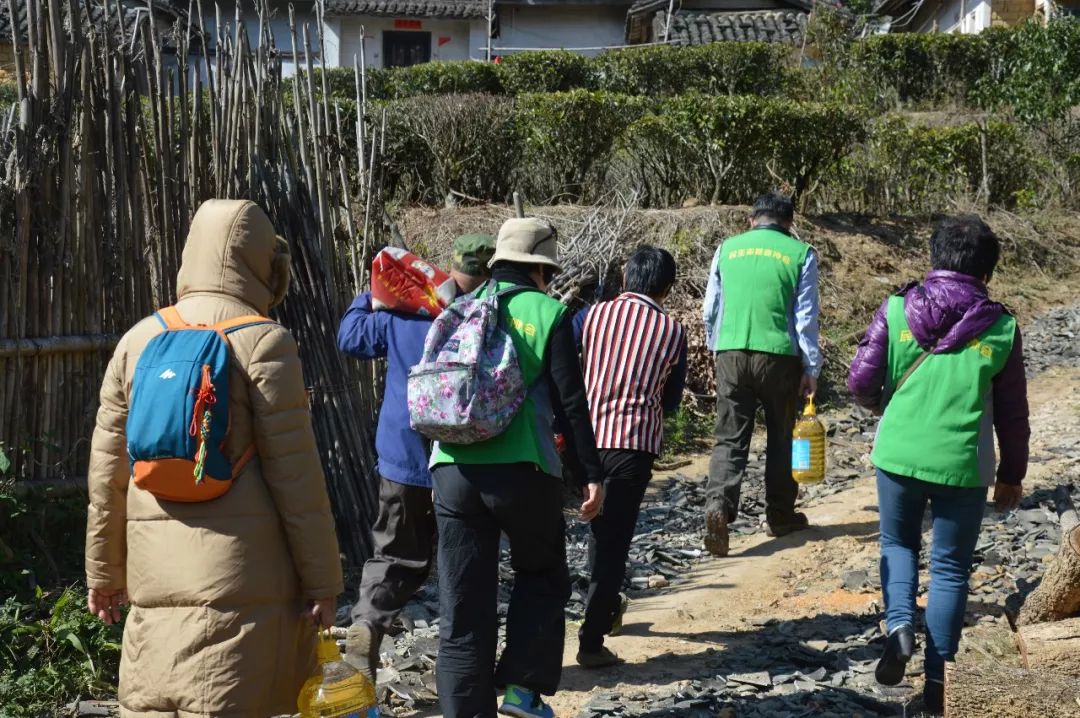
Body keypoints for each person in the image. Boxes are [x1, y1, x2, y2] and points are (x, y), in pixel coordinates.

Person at [84, 199, 344, 717]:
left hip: (154, 577)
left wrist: (104, 573)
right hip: (244, 579)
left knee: (155, 703)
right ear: (261, 264)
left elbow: (107, 475)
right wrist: (323, 583)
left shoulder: (138, 339)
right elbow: (298, 479)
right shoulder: (265, 343)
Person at [848, 215, 1029, 713]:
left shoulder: (897, 308)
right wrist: (1013, 473)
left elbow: (860, 381)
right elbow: (1013, 413)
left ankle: (901, 627)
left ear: (934, 258)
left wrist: (883, 403)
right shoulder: (1003, 326)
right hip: (963, 466)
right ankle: (936, 686)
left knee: (897, 544)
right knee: (950, 569)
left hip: (900, 453)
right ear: (987, 270)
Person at [429, 217, 605, 718]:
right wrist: (590, 474)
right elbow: (572, 406)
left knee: (462, 603)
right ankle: (523, 693)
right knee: (543, 573)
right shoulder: (549, 312)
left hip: (451, 470)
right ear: (542, 271)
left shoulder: (460, 307)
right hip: (524, 470)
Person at [338, 234, 496, 682]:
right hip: (464, 462)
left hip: (403, 456)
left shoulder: (408, 312)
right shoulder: (486, 316)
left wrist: (374, 293)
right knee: (461, 559)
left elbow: (350, 338)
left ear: (452, 265)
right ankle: (464, 664)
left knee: (393, 554)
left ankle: (367, 622)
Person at [576, 245, 687, 669]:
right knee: (614, 539)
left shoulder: (590, 316)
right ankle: (591, 639)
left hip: (586, 437)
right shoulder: (672, 331)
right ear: (666, 288)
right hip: (632, 443)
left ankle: (598, 610)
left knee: (598, 529)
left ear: (626, 278)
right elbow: (672, 400)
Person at [701, 192, 821, 557]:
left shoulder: (727, 249)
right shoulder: (801, 253)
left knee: (729, 438)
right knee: (782, 437)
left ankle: (718, 508)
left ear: (752, 219)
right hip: (779, 357)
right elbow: (805, 317)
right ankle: (781, 516)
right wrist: (810, 367)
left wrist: (717, 349)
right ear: (788, 222)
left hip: (731, 352)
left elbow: (710, 308)